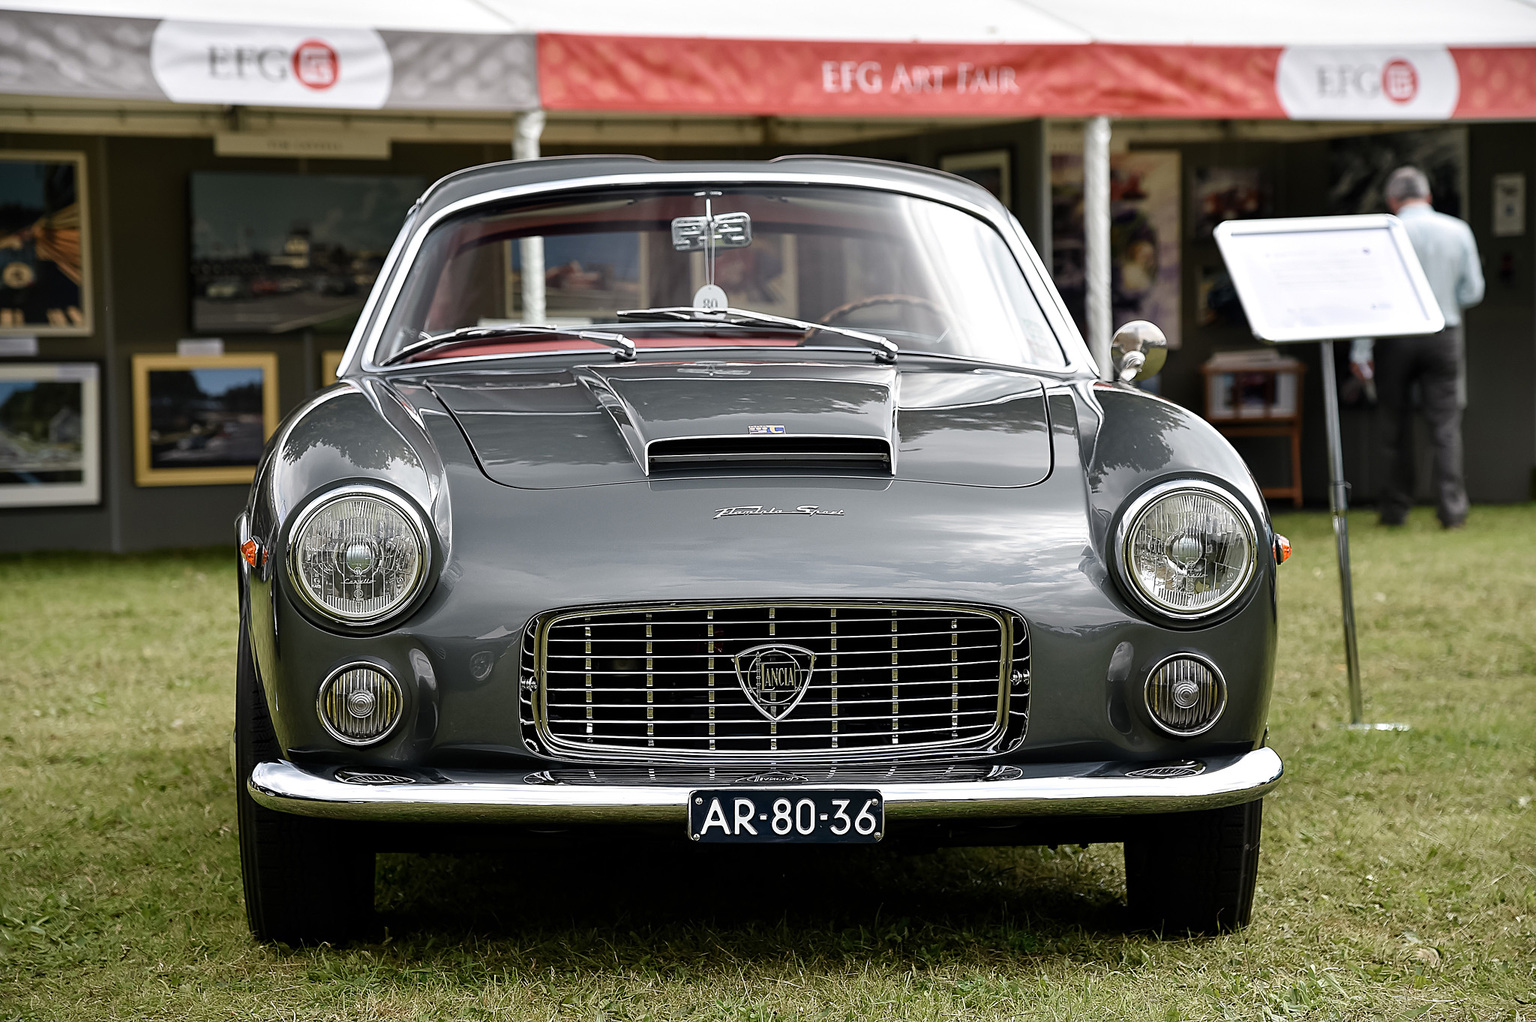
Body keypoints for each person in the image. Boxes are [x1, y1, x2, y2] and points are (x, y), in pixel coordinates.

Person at [1350, 166, 1484, 529]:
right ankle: (1452, 511)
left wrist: (1361, 350)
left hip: (1396, 335)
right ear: (1428, 196)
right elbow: (1473, 291)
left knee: (1394, 426)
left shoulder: (1385, 233)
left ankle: (1396, 509)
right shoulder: (1458, 230)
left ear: (1393, 201)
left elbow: (1371, 296)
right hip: (1444, 333)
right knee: (1445, 426)